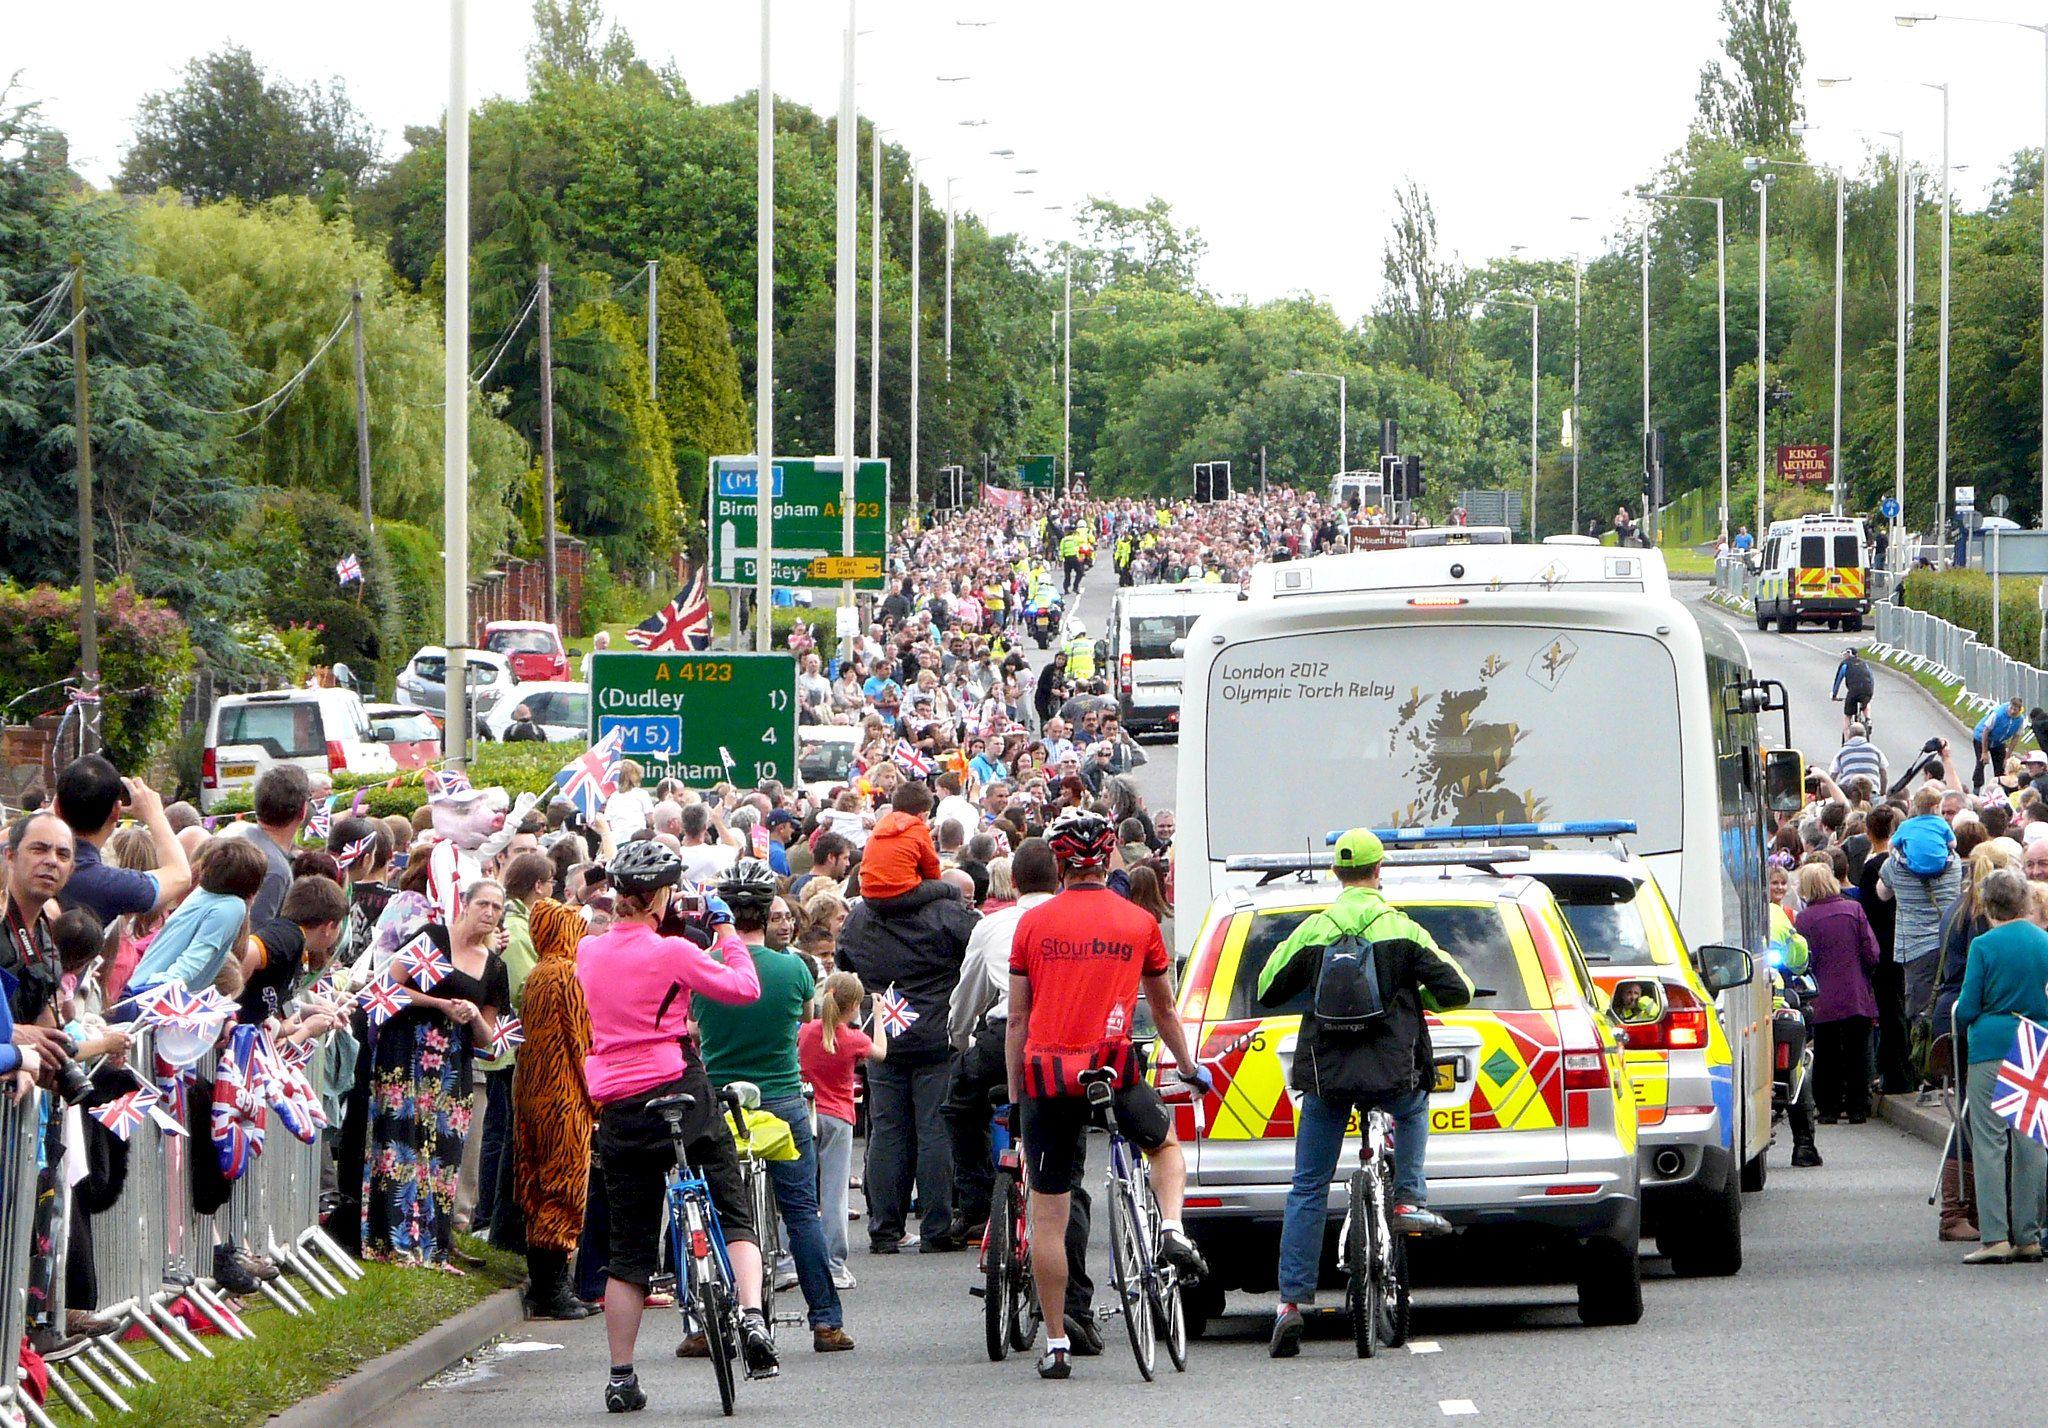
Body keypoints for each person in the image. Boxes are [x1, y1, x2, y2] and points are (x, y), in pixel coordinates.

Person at [1256, 827, 1475, 1360]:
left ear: (1336, 872)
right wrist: (1417, 995)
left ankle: (1289, 1305)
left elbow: (1266, 989)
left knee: (1307, 1186)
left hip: (1327, 1075)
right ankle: (1407, 1197)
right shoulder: (1401, 928)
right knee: (1415, 1105)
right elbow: (1459, 990)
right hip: (1392, 1072)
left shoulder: (1315, 929)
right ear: (1380, 872)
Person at [1005, 812, 1209, 1380]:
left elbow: (1017, 1020)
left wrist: (1018, 1093)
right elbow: (1164, 1008)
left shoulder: (1032, 925)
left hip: (1048, 1076)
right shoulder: (1139, 921)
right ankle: (1169, 1228)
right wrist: (1189, 1066)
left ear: (1060, 862)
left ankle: (1055, 1344)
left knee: (1049, 1214)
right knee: (1164, 1146)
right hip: (1112, 1068)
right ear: (1108, 856)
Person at [575, 839, 775, 1411]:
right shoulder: (672, 954)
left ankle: (620, 1376)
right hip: (677, 1087)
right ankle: (754, 1317)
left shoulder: (588, 953)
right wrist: (727, 934)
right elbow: (744, 987)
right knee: (731, 1204)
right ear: (662, 896)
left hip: (618, 1102)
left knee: (630, 1251)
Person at [691, 858, 854, 1353]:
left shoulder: (705, 968)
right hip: (781, 1098)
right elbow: (803, 1020)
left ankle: (704, 1322)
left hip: (719, 1098)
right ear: (768, 914)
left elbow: (694, 1025)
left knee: (711, 1211)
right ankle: (825, 1320)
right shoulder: (795, 970)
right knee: (801, 1210)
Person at [836, 848, 980, 1254]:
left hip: (884, 1032)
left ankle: (884, 1229)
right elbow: (976, 951)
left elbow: (846, 961)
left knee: (886, 1131)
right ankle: (936, 1228)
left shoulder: (860, 916)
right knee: (935, 1129)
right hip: (936, 1032)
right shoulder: (947, 913)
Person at [362, 878, 510, 1269]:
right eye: (483, 904)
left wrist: (476, 1015)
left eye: (497, 908)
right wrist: (440, 1004)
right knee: (400, 1144)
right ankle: (394, 1240)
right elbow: (387, 987)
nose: (489, 913)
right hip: (406, 1050)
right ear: (465, 904)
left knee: (444, 1151)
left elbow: (489, 1041)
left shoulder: (495, 968)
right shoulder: (433, 938)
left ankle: (436, 1240)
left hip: (451, 1064)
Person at [1953, 868, 2048, 1263]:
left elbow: (1969, 1006)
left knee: (1990, 1140)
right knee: (2031, 1139)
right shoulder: (2044, 941)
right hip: (2036, 1040)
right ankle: (2029, 1234)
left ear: (1989, 906)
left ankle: (1995, 1236)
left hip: (1992, 1042)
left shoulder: (1984, 945)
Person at [510, 898, 597, 1320]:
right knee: (565, 1183)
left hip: (532, 1092)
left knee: (536, 1179)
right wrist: (596, 1097)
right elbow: (582, 1040)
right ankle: (552, 1286)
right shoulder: (568, 975)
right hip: (564, 1096)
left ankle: (546, 1282)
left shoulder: (537, 974)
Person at [801, 973, 883, 1291]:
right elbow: (880, 1052)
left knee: (801, 1191)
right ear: (852, 1008)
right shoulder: (852, 1039)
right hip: (838, 1115)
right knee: (833, 1193)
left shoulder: (807, 1032)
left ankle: (791, 1259)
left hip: (807, 1112)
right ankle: (834, 1264)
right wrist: (877, 1015)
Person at [53, 755, 191, 926]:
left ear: (57, 807)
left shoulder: (24, 860)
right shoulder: (110, 884)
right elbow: (180, 875)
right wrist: (155, 815)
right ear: (116, 812)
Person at [1791, 861, 1881, 1125]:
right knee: (1859, 1051)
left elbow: (1802, 960)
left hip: (1823, 998)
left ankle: (1828, 1107)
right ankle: (1858, 1107)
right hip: (1855, 993)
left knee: (1826, 1052)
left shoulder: (1804, 919)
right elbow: (1872, 953)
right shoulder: (1853, 910)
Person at [859, 782, 944, 902]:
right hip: (901, 895)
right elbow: (932, 868)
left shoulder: (881, 825)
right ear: (923, 815)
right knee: (951, 890)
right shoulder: (918, 828)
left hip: (869, 894)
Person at [1972, 698, 2026, 791]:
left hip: (1998, 742)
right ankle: (1976, 788)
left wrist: (2007, 756)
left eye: (2015, 710)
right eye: (2011, 708)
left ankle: (2001, 789)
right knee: (1981, 762)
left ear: (2019, 710)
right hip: (1982, 738)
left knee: (2001, 766)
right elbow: (1986, 731)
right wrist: (1984, 752)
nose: (2012, 711)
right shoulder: (1998, 714)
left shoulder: (2020, 720)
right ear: (2009, 706)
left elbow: (2016, 737)